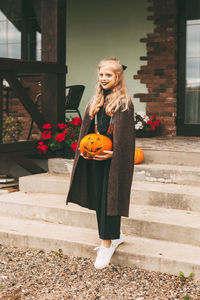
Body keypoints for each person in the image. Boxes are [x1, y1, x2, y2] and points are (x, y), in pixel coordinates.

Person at [66, 57, 135, 269]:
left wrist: (114, 153)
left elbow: (126, 138)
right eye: (101, 74)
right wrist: (85, 149)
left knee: (110, 199)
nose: (104, 78)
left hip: (112, 160)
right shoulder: (95, 101)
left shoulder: (124, 104)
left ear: (118, 77)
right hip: (95, 155)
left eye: (109, 75)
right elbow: (87, 129)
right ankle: (115, 235)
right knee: (99, 198)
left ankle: (106, 244)